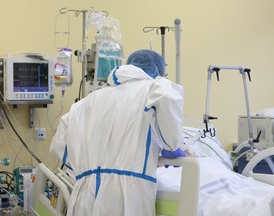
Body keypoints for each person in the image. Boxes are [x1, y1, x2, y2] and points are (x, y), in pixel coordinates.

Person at [50, 49, 185, 216]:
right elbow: (168, 98)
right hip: (128, 195)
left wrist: (85, 169)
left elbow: (59, 144)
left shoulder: (88, 101)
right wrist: (171, 143)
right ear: (159, 72)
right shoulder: (154, 87)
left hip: (85, 193)